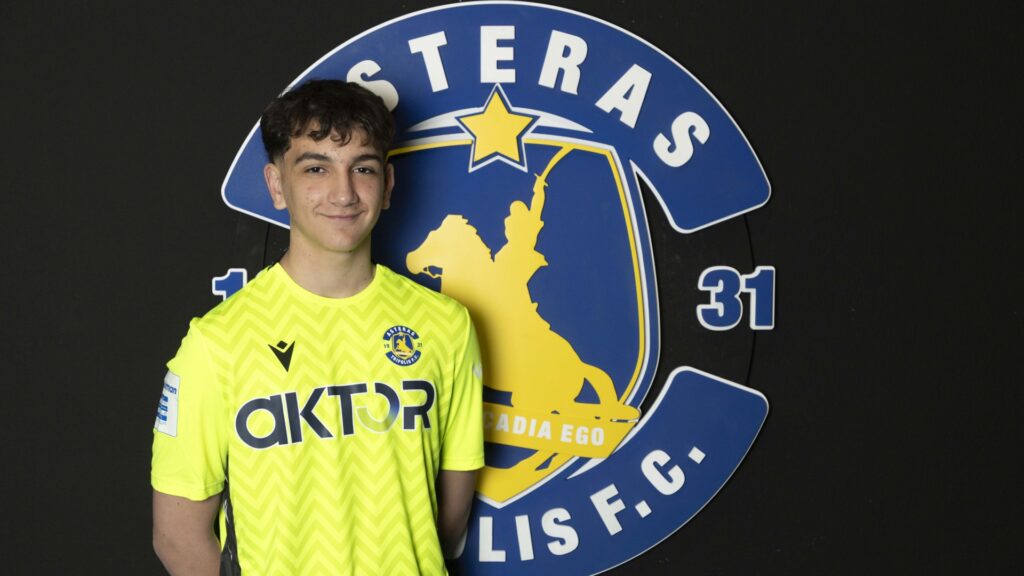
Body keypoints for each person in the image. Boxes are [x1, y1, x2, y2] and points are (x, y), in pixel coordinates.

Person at [151, 79, 484, 575]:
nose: (343, 193)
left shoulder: (445, 325)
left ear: (388, 185)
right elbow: (177, 538)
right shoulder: (216, 342)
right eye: (315, 168)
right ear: (276, 186)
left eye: (363, 168)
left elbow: (449, 519)